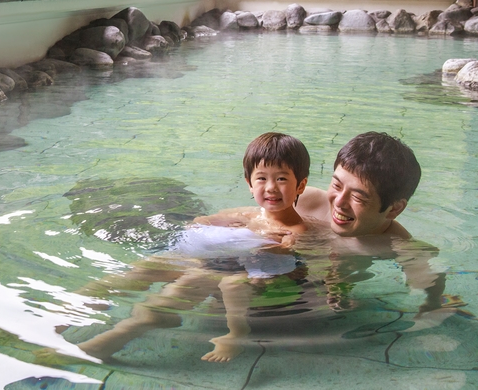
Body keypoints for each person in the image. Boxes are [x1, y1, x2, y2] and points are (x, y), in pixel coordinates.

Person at [76, 132, 321, 362]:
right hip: (220, 262)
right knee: (144, 267)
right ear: (249, 183)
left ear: (300, 186)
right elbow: (199, 224)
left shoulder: (295, 230)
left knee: (185, 287)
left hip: (244, 279)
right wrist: (215, 224)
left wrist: (281, 248)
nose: (270, 187)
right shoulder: (246, 214)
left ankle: (114, 339)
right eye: (261, 178)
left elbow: (286, 263)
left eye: (281, 179)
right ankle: (75, 308)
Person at [296, 131, 451, 318]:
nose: (339, 202)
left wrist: (431, 304)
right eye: (337, 185)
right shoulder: (302, 203)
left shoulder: (394, 244)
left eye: (357, 197)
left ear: (394, 209)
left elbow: (430, 277)